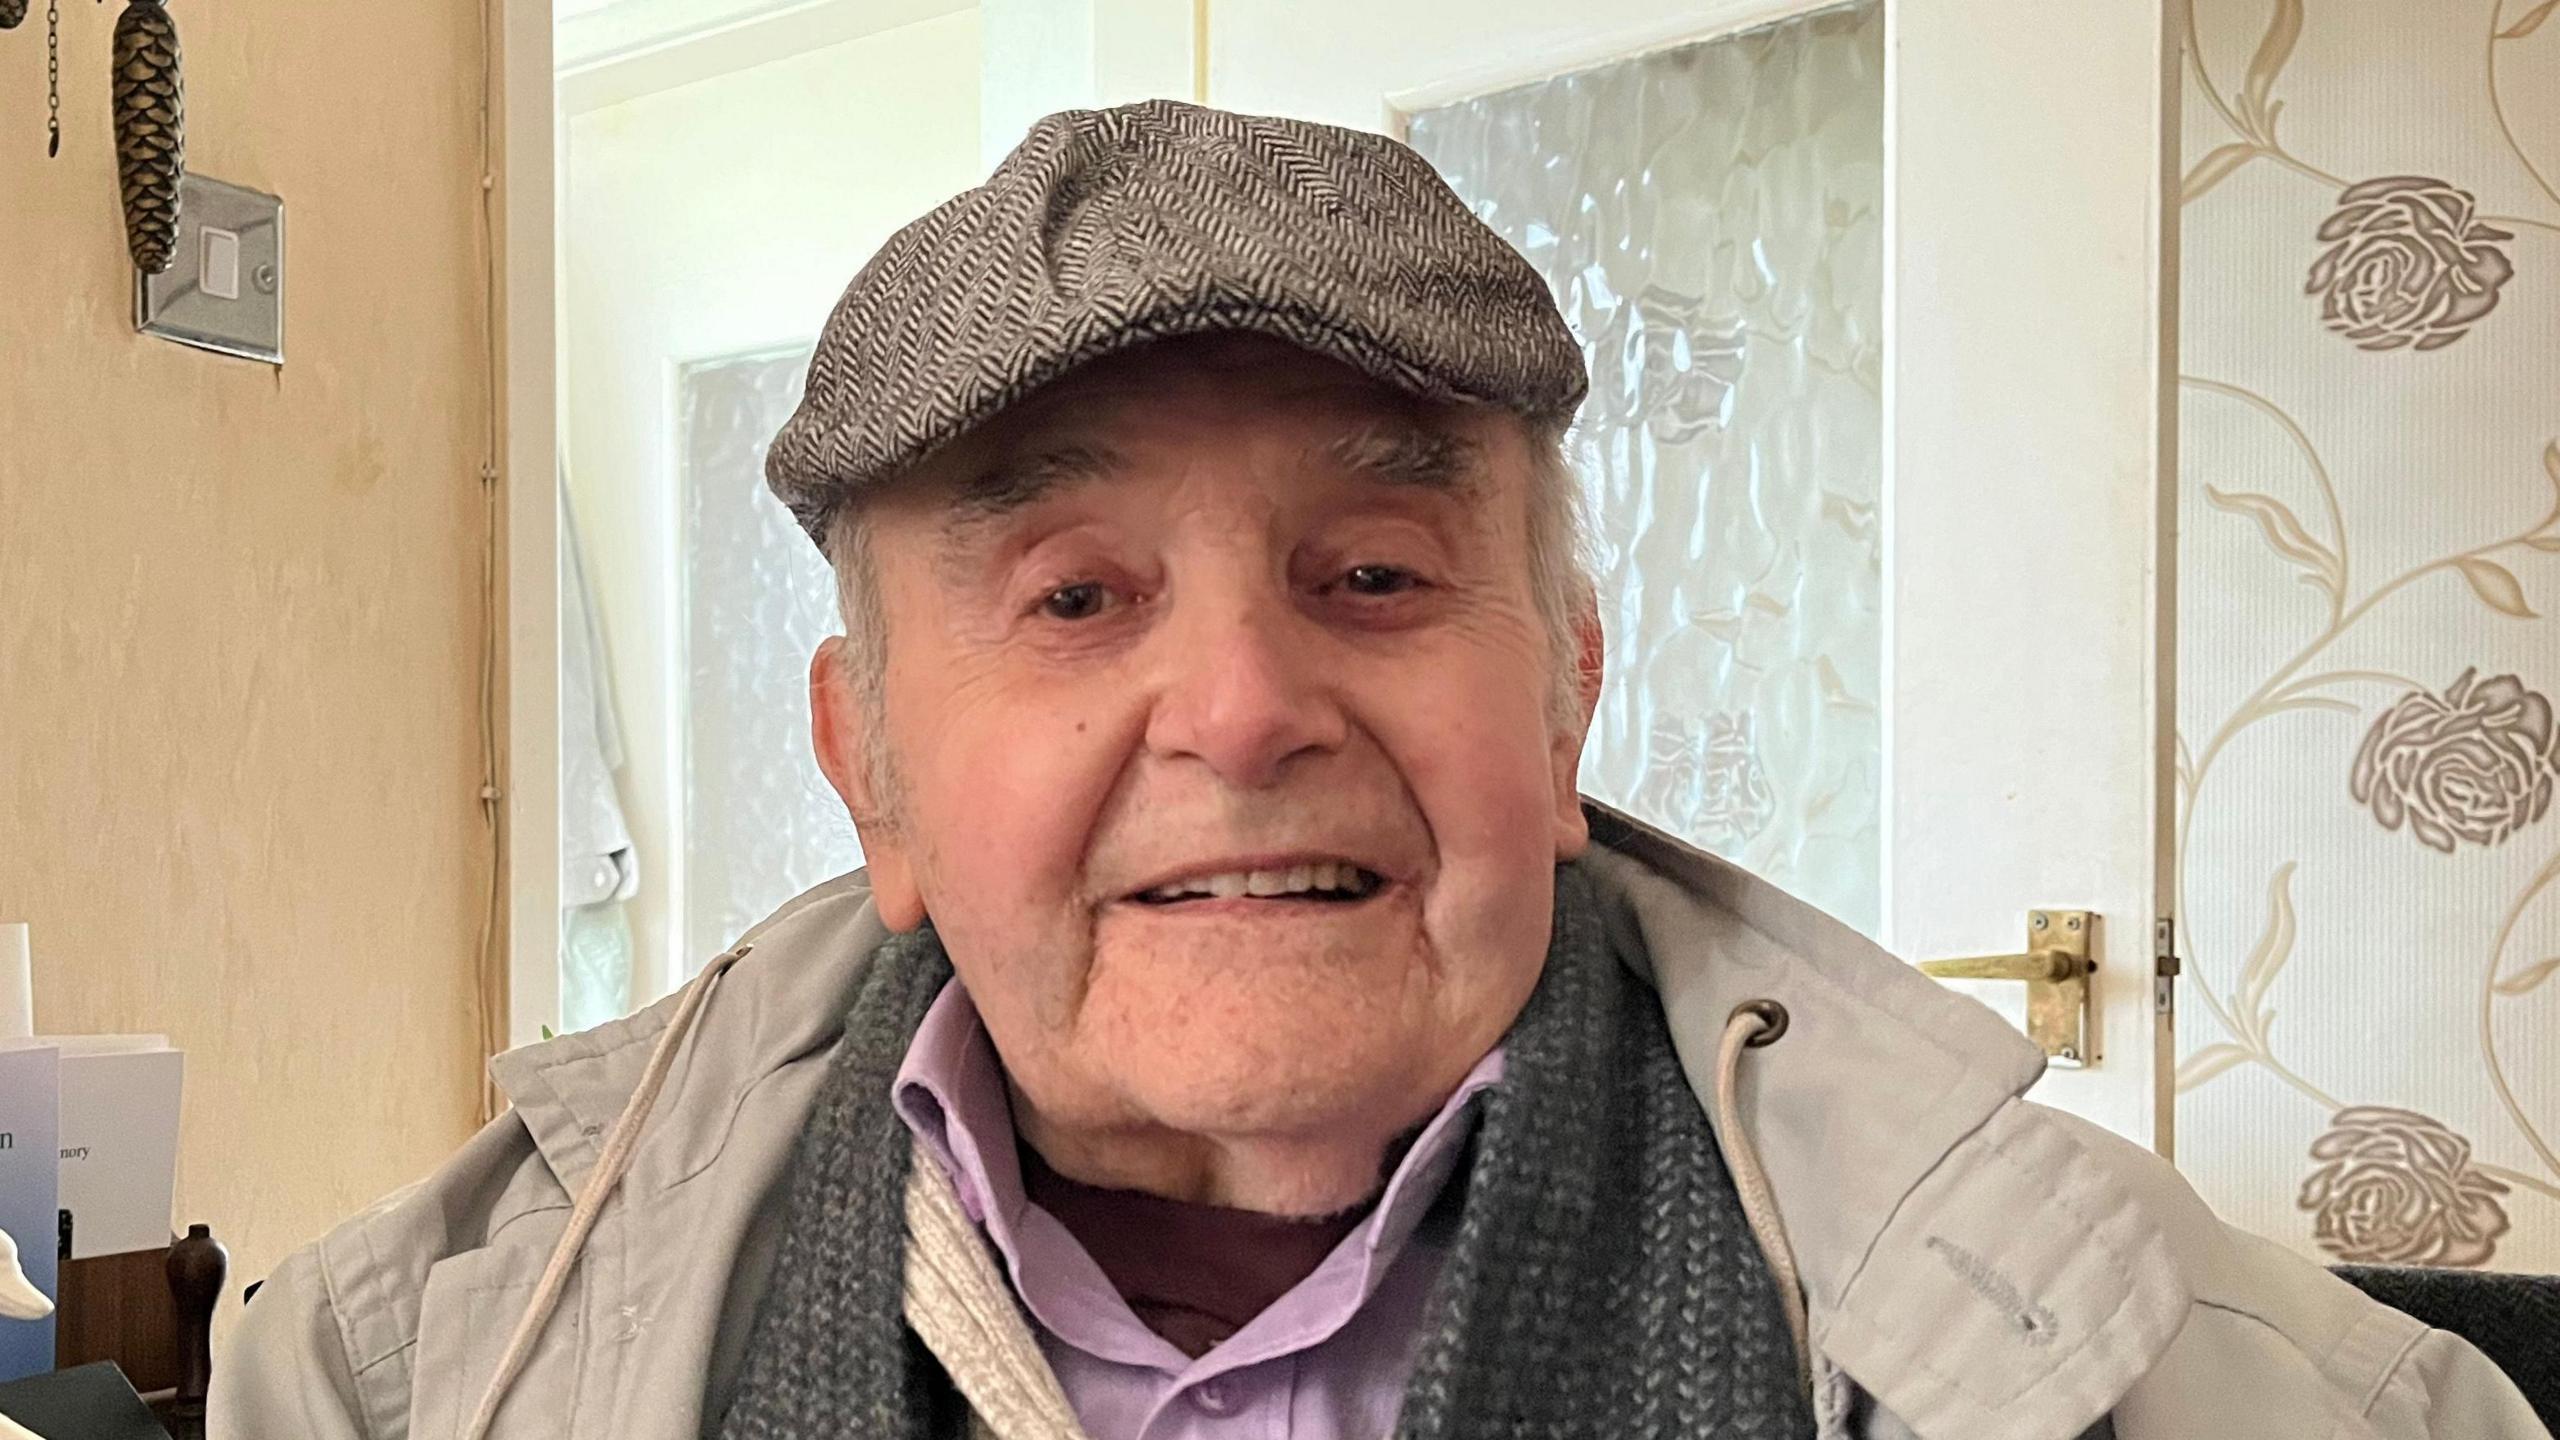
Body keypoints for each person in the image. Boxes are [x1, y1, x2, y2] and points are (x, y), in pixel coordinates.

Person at [210, 100, 2550, 1440]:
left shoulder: (2158, 1369)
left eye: (1372, 576)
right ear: (872, 776)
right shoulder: (396, 1368)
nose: (1241, 714)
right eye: (1073, 597)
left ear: (1562, 701)